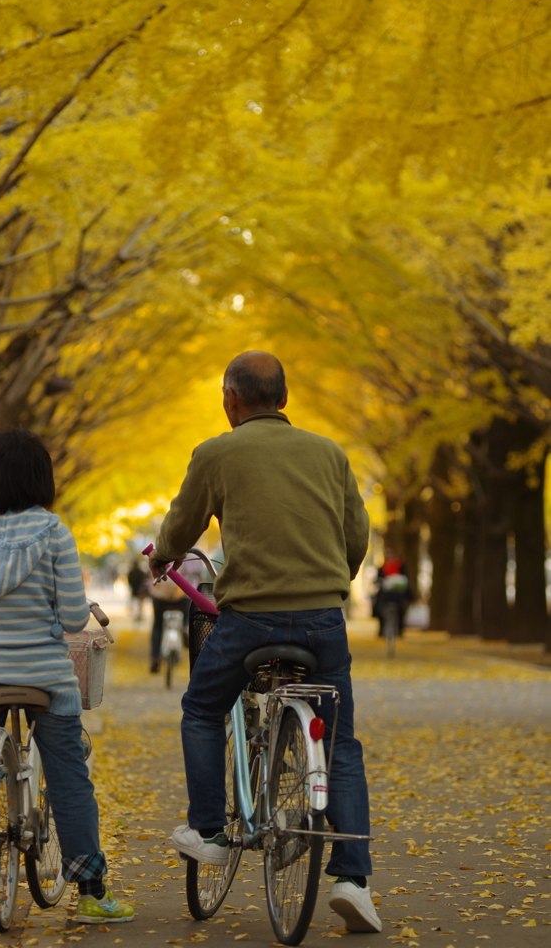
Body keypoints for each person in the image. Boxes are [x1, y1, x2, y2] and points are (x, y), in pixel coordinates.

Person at [149, 351, 381, 934]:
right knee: (343, 745)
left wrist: (167, 556)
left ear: (231, 399)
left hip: (247, 620)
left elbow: (181, 527)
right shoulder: (329, 453)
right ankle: (352, 877)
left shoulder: (216, 453)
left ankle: (208, 832)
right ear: (284, 398)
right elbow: (357, 534)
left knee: (202, 708)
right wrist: (332, 581)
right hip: (323, 620)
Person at [0, 429, 133, 926]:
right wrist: (53, 619)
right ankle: (93, 893)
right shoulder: (54, 532)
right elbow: (76, 617)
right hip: (45, 677)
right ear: (42, 477)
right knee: (70, 777)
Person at [149, 565, 189, 673]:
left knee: (157, 625)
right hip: (178, 597)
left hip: (160, 597)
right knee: (188, 609)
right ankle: (186, 628)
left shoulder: (157, 554)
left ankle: (155, 659)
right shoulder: (182, 556)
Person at [373, 547, 413, 636]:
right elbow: (378, 580)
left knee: (401, 609)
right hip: (385, 593)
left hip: (398, 593)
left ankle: (400, 630)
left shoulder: (401, 566)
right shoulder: (383, 567)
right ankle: (381, 630)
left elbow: (406, 580)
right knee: (379, 608)